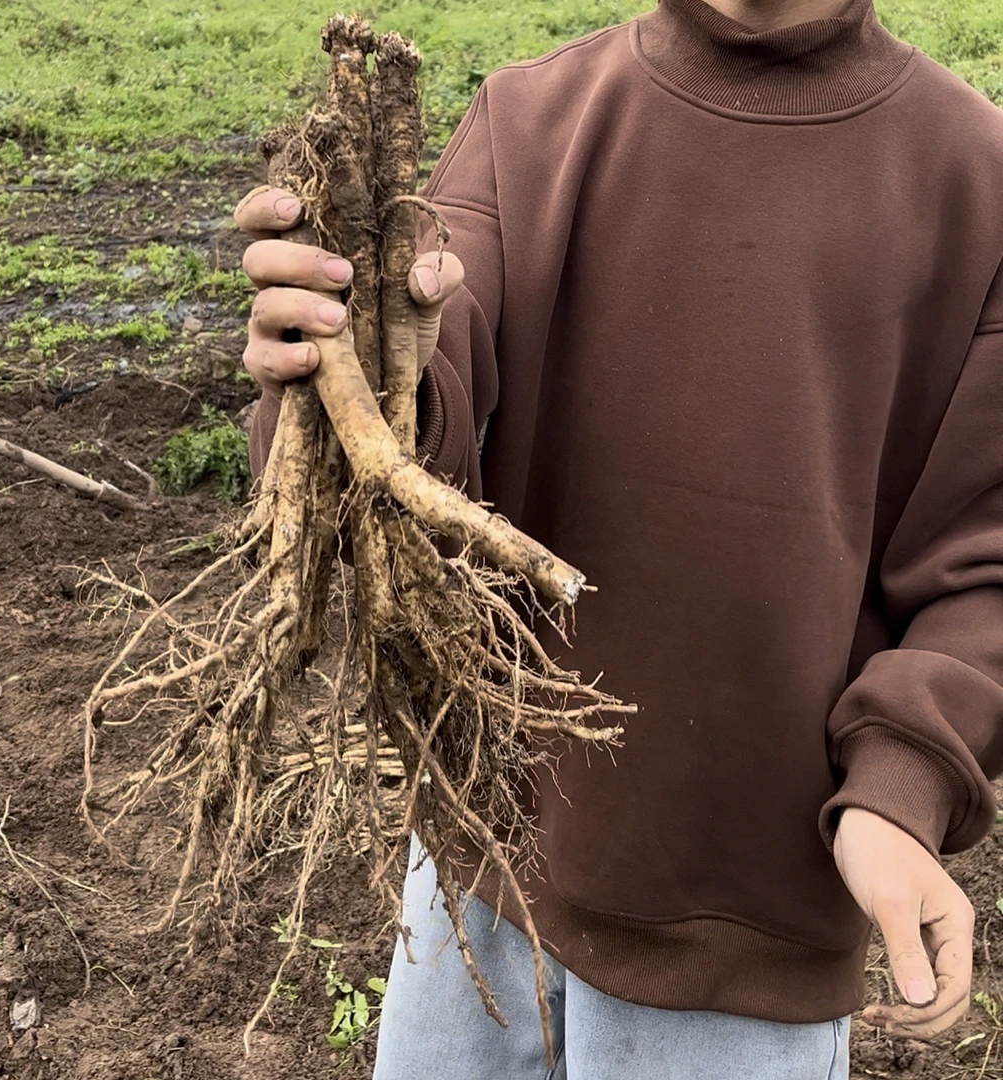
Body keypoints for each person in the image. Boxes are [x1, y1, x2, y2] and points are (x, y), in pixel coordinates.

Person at [233, 0, 1003, 1075]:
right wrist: (338, 365)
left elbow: (986, 562)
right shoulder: (531, 120)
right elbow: (424, 376)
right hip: (483, 860)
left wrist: (904, 783)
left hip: (745, 918)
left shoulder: (975, 175)